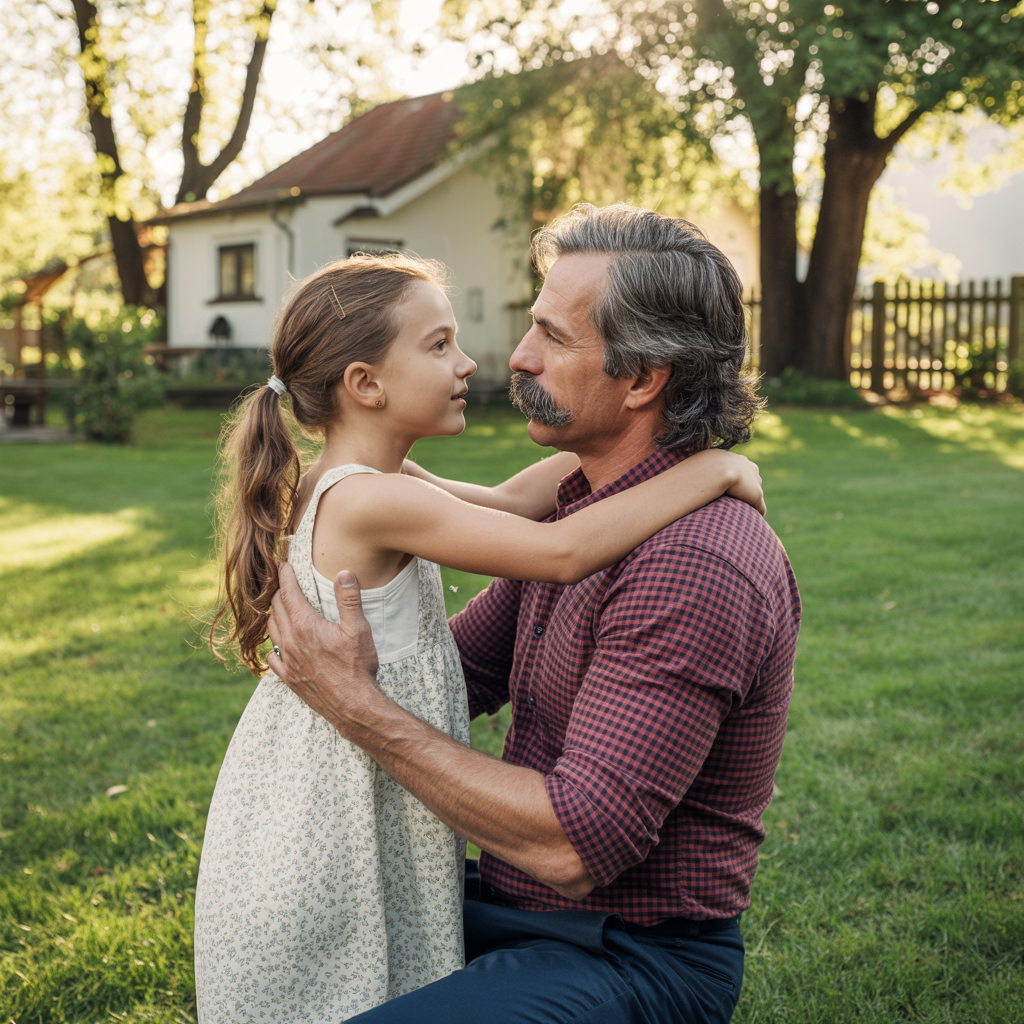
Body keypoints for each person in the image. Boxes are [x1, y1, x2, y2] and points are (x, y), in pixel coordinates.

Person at [193, 249, 767, 1024]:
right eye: (440, 345)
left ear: (642, 379)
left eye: (551, 336)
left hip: (629, 948)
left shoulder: (693, 559)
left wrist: (680, 467)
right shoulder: (379, 499)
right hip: (366, 831)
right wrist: (712, 470)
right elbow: (558, 550)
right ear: (365, 383)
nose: (504, 359)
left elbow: (516, 505)